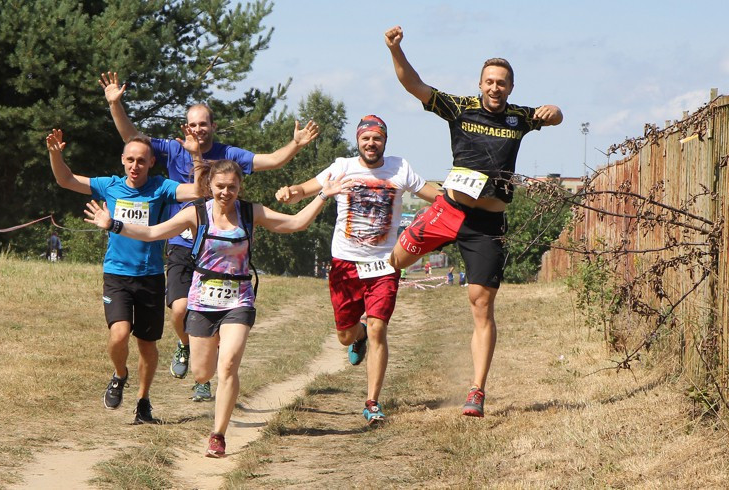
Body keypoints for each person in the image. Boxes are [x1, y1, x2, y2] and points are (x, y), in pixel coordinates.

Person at [83, 159, 351, 457]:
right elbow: (152, 233)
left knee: (228, 366)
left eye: (232, 187)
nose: (226, 192)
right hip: (202, 303)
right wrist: (113, 224)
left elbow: (295, 223)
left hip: (239, 300)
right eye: (220, 186)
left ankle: (218, 435)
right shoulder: (195, 213)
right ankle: (206, 367)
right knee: (202, 373)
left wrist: (323, 195)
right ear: (209, 185)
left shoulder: (251, 212)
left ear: (240, 187)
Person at [99, 72, 320, 401]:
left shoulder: (229, 155)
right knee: (179, 309)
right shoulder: (173, 149)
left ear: (213, 127)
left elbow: (273, 160)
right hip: (181, 244)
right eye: (192, 124)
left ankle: (203, 366)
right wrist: (116, 104)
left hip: (218, 250)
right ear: (185, 127)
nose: (198, 130)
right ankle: (185, 345)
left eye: (204, 124)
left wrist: (296, 145)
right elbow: (132, 137)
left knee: (212, 311)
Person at [384, 26, 563, 417]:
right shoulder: (459, 107)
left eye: (502, 83)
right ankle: (370, 327)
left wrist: (555, 112)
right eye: (489, 82)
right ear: (480, 84)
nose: (495, 88)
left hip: (487, 226)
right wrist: (396, 50)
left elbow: (556, 117)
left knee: (481, 304)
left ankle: (476, 391)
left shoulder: (520, 117)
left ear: (511, 88)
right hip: (448, 211)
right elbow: (413, 84)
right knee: (393, 262)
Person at [276, 115, 440, 426]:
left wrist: (460, 205)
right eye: (366, 138)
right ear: (358, 141)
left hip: (384, 265)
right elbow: (306, 188)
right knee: (344, 335)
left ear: (384, 142)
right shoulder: (341, 167)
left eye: (377, 138)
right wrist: (290, 192)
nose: (371, 143)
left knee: (380, 327)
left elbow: (437, 196)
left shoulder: (400, 168)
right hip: (345, 264)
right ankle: (358, 334)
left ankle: (372, 402)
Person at [46, 129, 199, 425]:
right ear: (122, 160)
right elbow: (66, 179)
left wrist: (195, 155)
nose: (135, 166)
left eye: (141, 160)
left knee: (146, 344)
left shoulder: (161, 187)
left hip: (151, 277)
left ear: (151, 162)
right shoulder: (109, 186)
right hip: (117, 274)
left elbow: (197, 191)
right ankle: (120, 374)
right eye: (130, 159)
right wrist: (55, 154)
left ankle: (143, 402)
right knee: (118, 334)